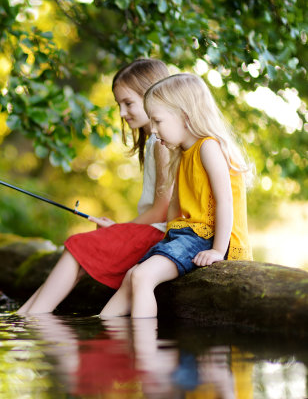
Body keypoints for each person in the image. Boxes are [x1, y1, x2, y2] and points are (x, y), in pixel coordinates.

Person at [0, 58, 172, 321]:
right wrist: (122, 230)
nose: (122, 113)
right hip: (151, 230)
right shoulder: (154, 142)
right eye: (119, 104)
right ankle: (18, 317)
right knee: (79, 249)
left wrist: (121, 229)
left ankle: (21, 319)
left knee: (78, 245)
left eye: (128, 103)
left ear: (151, 94)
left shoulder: (161, 143)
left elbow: (162, 209)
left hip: (161, 235)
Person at [100, 73, 253, 319]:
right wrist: (168, 239)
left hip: (210, 237)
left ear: (185, 116)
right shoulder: (183, 153)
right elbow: (175, 205)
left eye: (158, 121)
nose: (154, 129)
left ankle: (145, 350)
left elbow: (225, 202)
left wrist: (217, 251)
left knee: (142, 276)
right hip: (188, 235)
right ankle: (102, 330)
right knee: (131, 275)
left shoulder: (208, 147)